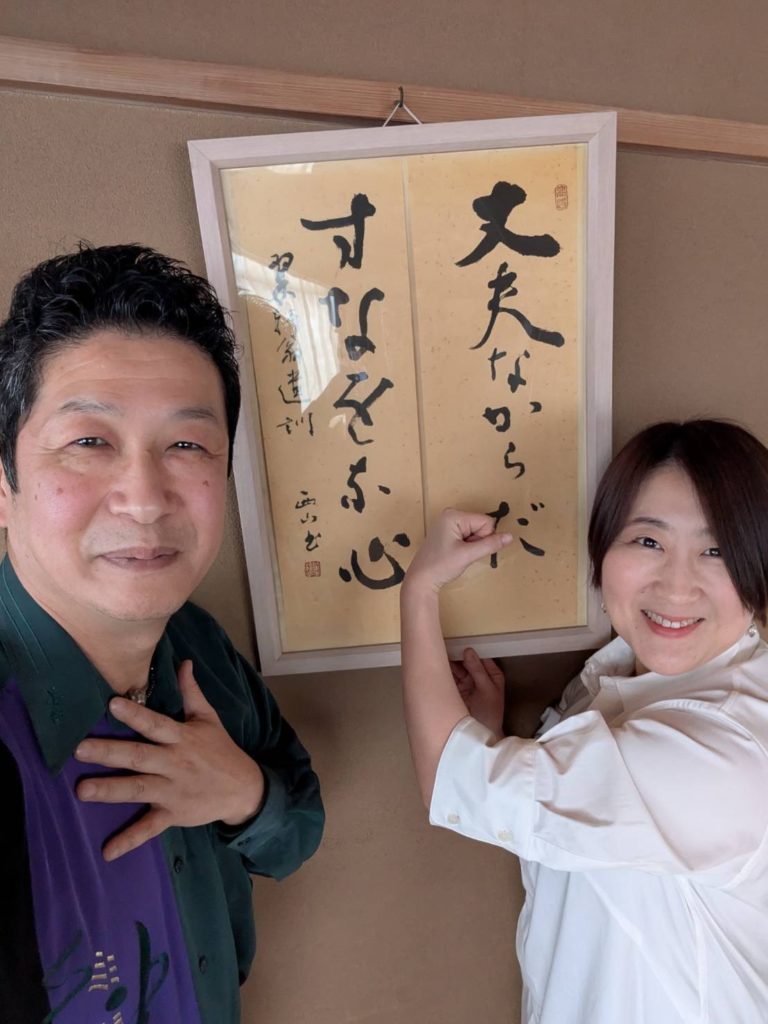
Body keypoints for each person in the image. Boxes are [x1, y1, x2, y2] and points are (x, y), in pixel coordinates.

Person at [0, 244, 324, 1024]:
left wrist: (243, 795)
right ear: (3, 485)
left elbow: (297, 831)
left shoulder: (199, 650)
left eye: (186, 445)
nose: (144, 499)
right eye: (89, 441)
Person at [400, 420, 768, 1024]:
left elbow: (455, 778)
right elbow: (573, 817)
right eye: (647, 541)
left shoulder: (724, 752)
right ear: (603, 551)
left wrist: (419, 589)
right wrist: (491, 740)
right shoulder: (629, 670)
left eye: (717, 549)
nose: (677, 586)